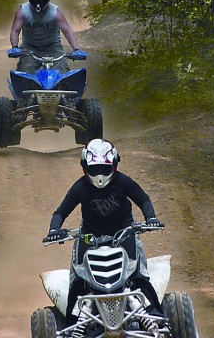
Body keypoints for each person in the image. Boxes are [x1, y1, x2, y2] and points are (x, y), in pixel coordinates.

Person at [45, 138, 164, 325]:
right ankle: (72, 322)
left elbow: (143, 199)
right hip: (89, 235)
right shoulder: (80, 187)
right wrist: (54, 229)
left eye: (104, 168)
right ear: (85, 166)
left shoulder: (123, 182)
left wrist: (151, 218)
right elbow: (60, 212)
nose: (100, 174)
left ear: (114, 164)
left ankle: (155, 313)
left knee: (139, 272)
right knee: (77, 276)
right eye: (95, 169)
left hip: (124, 230)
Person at [7, 0, 87, 74]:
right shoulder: (22, 11)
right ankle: (22, 87)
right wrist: (15, 47)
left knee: (62, 72)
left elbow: (67, 31)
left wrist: (76, 49)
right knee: (25, 70)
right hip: (29, 48)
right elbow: (15, 31)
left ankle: (65, 87)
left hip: (53, 48)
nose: (38, 0)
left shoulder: (55, 12)